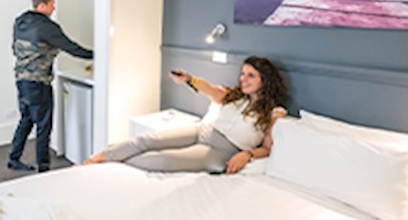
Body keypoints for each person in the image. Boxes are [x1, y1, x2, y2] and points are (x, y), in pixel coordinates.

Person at [84, 56, 288, 174]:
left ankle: (114, 168)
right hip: (202, 131)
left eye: (251, 75)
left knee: (164, 160)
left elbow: (267, 149)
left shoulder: (274, 113)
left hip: (221, 151)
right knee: (148, 139)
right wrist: (189, 79)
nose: (243, 79)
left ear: (265, 81)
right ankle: (96, 160)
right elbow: (210, 89)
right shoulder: (234, 96)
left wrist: (247, 154)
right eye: (242, 73)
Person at [8, 0, 94, 173]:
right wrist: (95, 54)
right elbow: (70, 47)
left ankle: (14, 158)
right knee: (43, 126)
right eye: (52, 4)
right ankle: (44, 169)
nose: (54, 8)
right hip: (38, 83)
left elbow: (15, 49)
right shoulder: (47, 26)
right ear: (42, 5)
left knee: (26, 119)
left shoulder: (20, 21)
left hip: (21, 80)